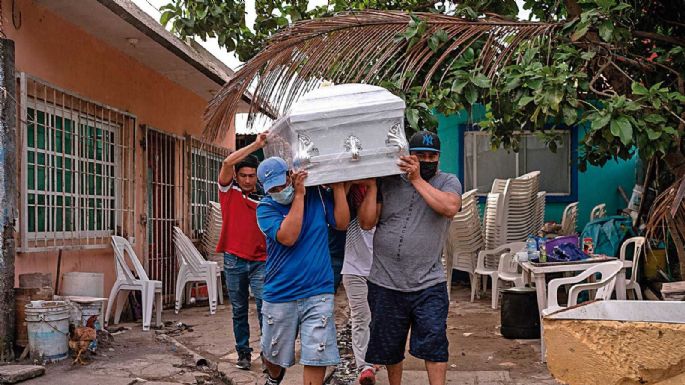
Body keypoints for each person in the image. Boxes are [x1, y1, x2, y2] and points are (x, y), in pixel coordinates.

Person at [358, 131, 462, 385]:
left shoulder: (448, 181)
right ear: (408, 155)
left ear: (438, 157)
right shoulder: (389, 182)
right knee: (389, 346)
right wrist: (372, 186)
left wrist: (416, 179)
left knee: (435, 343)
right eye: (420, 155)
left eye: (431, 156)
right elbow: (366, 222)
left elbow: (450, 207)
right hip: (385, 281)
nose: (426, 160)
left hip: (428, 282)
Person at [256, 157, 351, 385]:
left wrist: (338, 187)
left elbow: (341, 223)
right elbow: (288, 237)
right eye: (274, 189)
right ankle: (275, 375)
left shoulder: (317, 194)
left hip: (318, 290)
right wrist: (298, 195)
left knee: (317, 356)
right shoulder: (265, 208)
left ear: (291, 175)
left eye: (282, 184)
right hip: (280, 293)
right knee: (272, 355)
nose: (280, 191)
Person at [216, 132, 268, 370]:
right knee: (239, 310)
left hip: (261, 260)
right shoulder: (229, 192)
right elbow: (227, 162)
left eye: (252, 176)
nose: (248, 180)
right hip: (234, 259)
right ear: (237, 176)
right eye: (244, 176)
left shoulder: (267, 196)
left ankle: (268, 354)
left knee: (264, 308)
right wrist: (256, 145)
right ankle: (243, 354)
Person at [341, 182, 378, 385]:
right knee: (361, 317)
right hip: (354, 267)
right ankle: (365, 366)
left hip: (383, 269)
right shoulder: (350, 197)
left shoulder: (385, 192)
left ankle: (377, 358)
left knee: (381, 318)